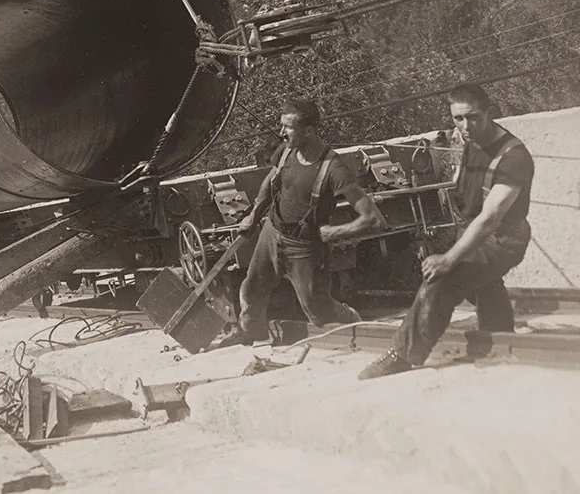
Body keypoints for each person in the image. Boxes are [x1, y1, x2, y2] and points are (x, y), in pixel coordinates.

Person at [359, 83, 534, 380]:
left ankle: (403, 354)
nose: (466, 126)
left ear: (490, 112)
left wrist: (449, 258)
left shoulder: (514, 157)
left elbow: (489, 219)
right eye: (458, 118)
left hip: (503, 238)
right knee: (481, 280)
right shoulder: (470, 141)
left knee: (443, 277)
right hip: (472, 228)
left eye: (474, 117)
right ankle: (501, 333)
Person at [215, 98, 384, 348]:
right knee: (251, 289)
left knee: (318, 311)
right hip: (272, 233)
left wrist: (334, 233)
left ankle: (351, 319)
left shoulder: (334, 170)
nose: (282, 133)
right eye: (282, 126)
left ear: (309, 131)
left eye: (288, 128)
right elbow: (272, 181)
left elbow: (374, 219)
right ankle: (249, 332)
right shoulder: (286, 151)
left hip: (304, 247)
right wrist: (253, 214)